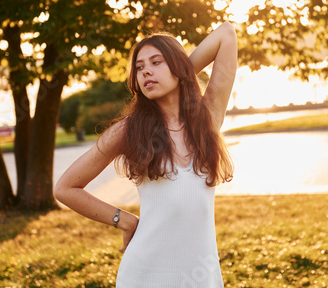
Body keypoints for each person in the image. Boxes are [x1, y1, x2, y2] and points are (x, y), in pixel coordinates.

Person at [54, 21, 237, 287]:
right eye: (139, 68)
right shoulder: (129, 129)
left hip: (201, 277)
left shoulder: (206, 120)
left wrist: (181, 73)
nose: (146, 72)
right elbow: (65, 188)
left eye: (156, 62)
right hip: (145, 274)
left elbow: (226, 34)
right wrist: (123, 220)